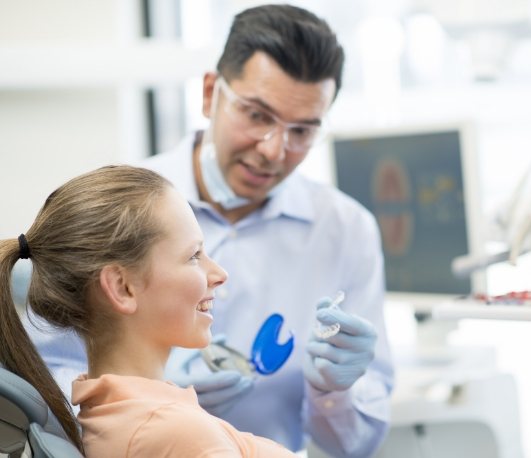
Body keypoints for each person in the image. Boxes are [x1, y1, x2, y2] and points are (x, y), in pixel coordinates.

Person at [24, 4, 394, 457]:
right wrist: (153, 389)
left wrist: (335, 393)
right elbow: (39, 389)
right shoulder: (125, 207)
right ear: (209, 93)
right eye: (257, 116)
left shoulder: (346, 230)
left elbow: (354, 446)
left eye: (301, 131)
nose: (274, 150)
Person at [2, 165, 298, 457]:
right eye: (194, 255)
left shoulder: (120, 415)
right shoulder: (176, 433)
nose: (220, 273)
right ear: (122, 287)